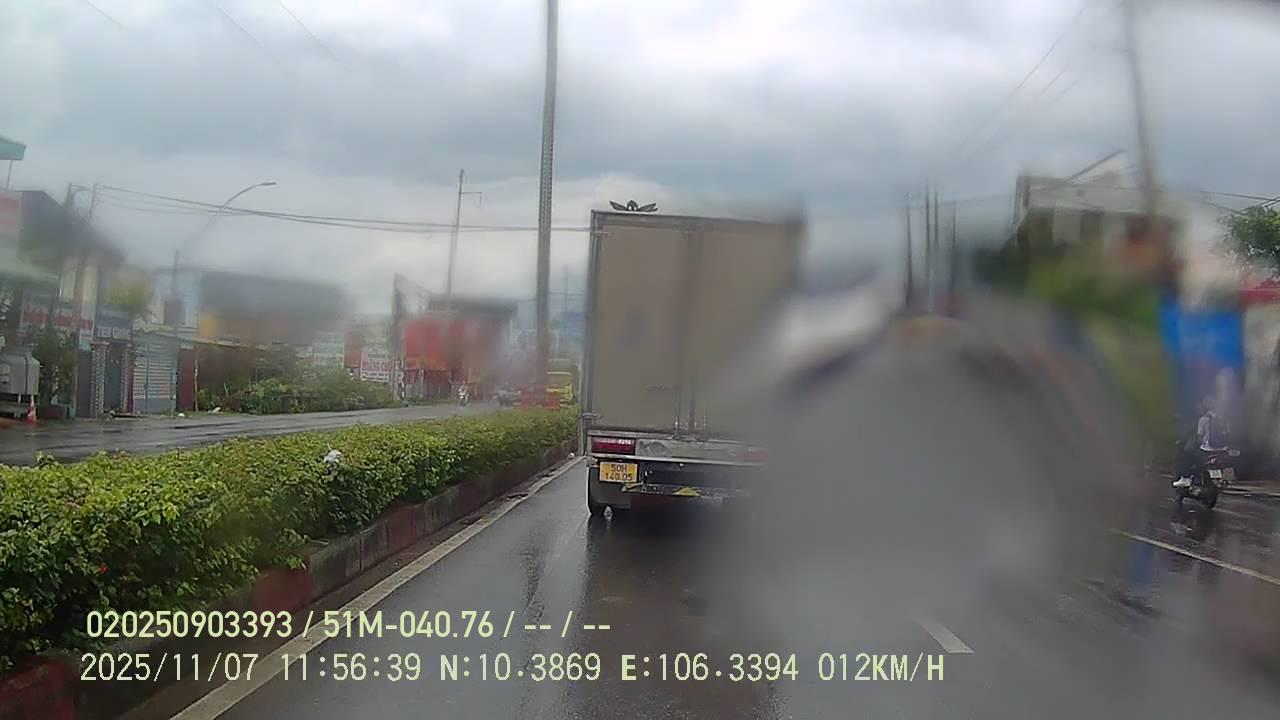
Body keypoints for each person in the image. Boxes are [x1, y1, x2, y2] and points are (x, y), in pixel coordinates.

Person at [1172, 401, 1229, 488]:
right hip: (1222, 450)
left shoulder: (1203, 420)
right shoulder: (1222, 419)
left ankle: (1185, 478)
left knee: (1186, 454)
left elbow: (1199, 438)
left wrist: (1195, 444)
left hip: (1207, 450)